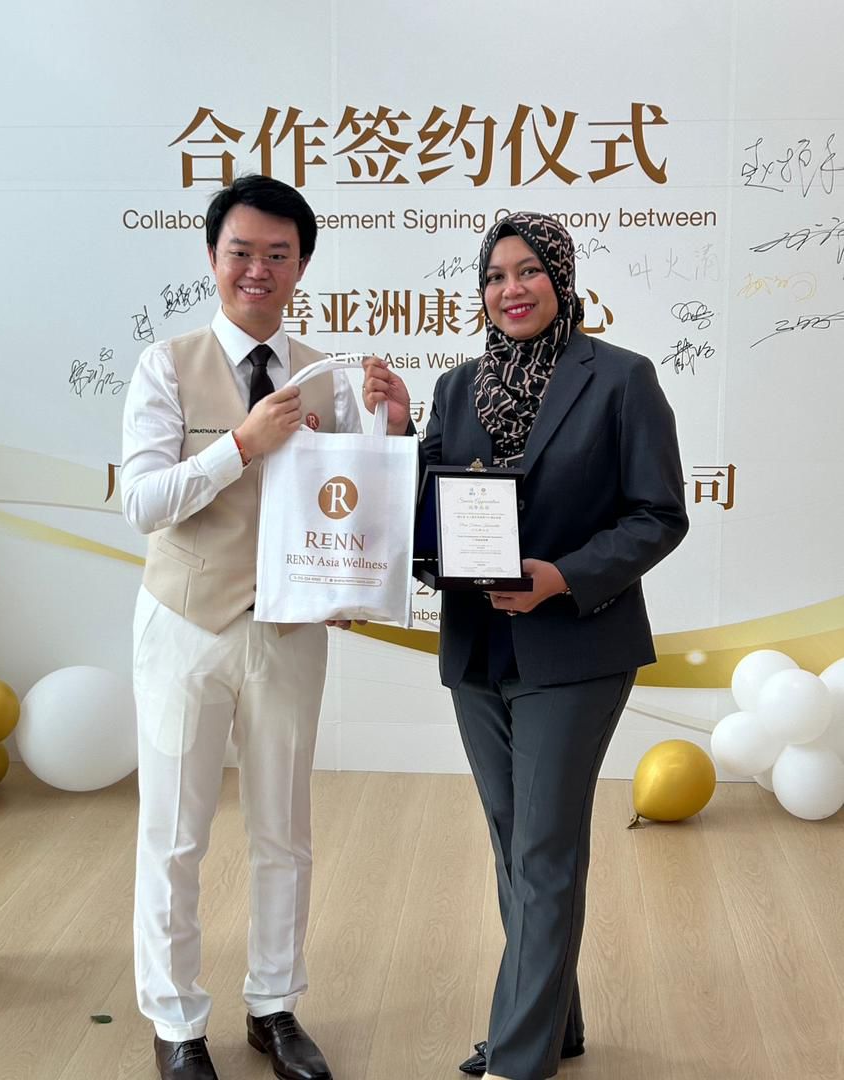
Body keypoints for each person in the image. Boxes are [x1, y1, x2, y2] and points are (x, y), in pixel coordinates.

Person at [363, 211, 689, 1080]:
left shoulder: (620, 378)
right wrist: (397, 434)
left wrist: (562, 577)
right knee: (516, 846)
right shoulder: (457, 387)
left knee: (543, 850)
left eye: (528, 271)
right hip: (478, 649)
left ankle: (516, 1060)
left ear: (561, 278)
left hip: (575, 648)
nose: (510, 289)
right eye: (494, 276)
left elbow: (658, 515)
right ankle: (551, 1026)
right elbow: (427, 510)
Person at [122, 174, 369, 1080]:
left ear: (301, 266)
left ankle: (275, 1006)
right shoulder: (165, 364)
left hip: (289, 632)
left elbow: (350, 502)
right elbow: (142, 503)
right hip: (185, 623)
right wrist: (238, 447)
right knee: (174, 832)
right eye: (241, 252)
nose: (257, 269)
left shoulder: (325, 377)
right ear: (212, 258)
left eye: (277, 254)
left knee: (283, 829)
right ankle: (176, 1021)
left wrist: (388, 424)